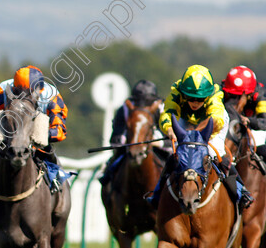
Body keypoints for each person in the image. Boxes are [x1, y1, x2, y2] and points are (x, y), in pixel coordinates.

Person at [148, 64, 252, 209]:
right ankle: (158, 194)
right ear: (183, 93)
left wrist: (197, 134)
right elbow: (168, 113)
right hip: (186, 121)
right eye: (190, 98)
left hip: (210, 125)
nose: (195, 102)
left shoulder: (215, 95)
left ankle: (241, 191)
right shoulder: (176, 92)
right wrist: (169, 129)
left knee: (216, 153)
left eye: (200, 99)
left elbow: (217, 119)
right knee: (177, 154)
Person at [0, 65, 68, 192]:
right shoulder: (1, 92)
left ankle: (56, 181)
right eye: (20, 93)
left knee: (48, 152)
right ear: (14, 89)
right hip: (8, 138)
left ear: (40, 91)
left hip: (36, 140)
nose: (25, 98)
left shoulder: (52, 97)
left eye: (30, 94)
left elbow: (60, 131)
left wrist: (38, 134)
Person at [98, 80, 164, 186]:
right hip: (130, 146)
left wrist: (154, 141)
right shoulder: (124, 109)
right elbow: (116, 135)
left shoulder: (162, 109)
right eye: (139, 102)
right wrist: (129, 139)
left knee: (173, 163)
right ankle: (107, 178)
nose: (142, 106)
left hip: (156, 146)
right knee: (115, 161)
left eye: (147, 102)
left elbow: (170, 135)